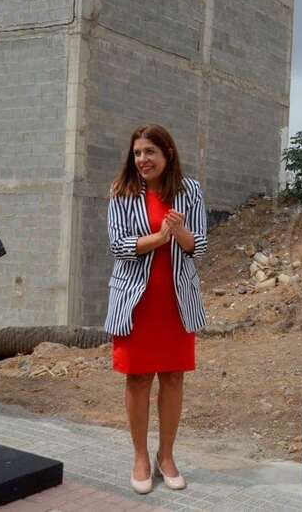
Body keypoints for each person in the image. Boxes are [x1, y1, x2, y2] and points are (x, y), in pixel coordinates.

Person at [104, 124, 208, 494]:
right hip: (136, 301)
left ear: (168, 154)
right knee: (138, 378)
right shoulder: (122, 191)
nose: (143, 160)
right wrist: (159, 237)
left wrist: (177, 234)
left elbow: (200, 246)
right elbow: (118, 245)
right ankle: (140, 457)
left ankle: (166, 456)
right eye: (137, 153)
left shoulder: (190, 191)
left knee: (174, 377)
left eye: (150, 152)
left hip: (176, 301)